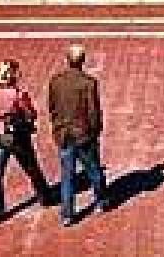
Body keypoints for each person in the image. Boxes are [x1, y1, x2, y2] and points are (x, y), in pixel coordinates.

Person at [48, 44, 108, 227]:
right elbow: (93, 112)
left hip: (64, 134)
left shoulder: (55, 81)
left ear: (67, 59)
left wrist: (57, 126)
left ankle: (67, 214)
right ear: (82, 60)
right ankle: (101, 200)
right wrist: (96, 130)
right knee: (93, 169)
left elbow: (52, 106)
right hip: (84, 135)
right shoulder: (88, 83)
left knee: (67, 176)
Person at [0, 60, 53, 224]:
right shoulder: (18, 94)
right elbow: (30, 112)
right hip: (17, 136)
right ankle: (44, 197)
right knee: (32, 167)